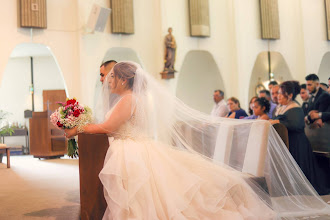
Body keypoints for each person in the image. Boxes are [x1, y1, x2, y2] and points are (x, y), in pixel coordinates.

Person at [65, 62, 330, 219]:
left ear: (124, 79)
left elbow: (107, 126)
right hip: (134, 147)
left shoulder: (128, 99)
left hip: (132, 150)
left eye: (112, 77)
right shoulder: (132, 99)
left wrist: (77, 128)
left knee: (148, 196)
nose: (109, 81)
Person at [270, 81, 330, 195]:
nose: (278, 96)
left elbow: (297, 125)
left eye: (281, 93)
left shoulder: (295, 108)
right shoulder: (283, 107)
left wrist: (278, 121)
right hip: (289, 142)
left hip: (297, 143)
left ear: (290, 95)